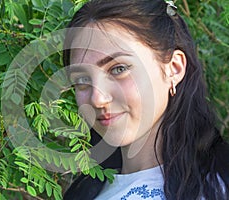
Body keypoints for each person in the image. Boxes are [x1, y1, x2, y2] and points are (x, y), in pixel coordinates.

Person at [62, 0, 229, 199]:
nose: (97, 99)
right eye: (82, 80)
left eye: (119, 69)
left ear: (173, 68)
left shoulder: (215, 188)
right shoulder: (83, 190)